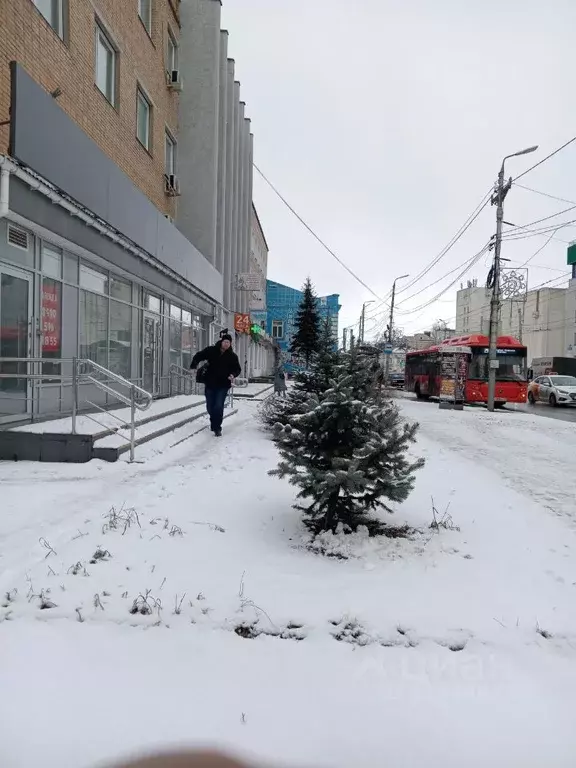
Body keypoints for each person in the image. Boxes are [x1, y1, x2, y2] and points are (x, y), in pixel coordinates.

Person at [191, 334, 241, 436]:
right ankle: (214, 420)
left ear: (230, 344)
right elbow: (199, 355)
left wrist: (233, 374)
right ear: (221, 342)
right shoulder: (211, 350)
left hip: (223, 384)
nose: (226, 344)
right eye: (225, 342)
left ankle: (217, 427)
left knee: (218, 405)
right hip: (210, 382)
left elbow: (237, 368)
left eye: (228, 342)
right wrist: (193, 365)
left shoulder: (232, 356)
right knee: (210, 406)